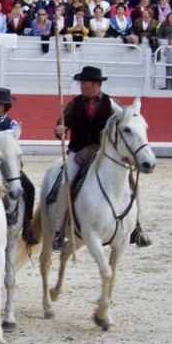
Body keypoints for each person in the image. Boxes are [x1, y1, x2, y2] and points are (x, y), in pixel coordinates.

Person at [51, 66, 115, 251]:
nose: (81, 86)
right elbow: (62, 123)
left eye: (84, 83)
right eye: (81, 83)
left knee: (127, 179)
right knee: (66, 183)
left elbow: (121, 123)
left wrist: (109, 131)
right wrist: (59, 130)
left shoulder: (111, 104)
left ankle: (135, 227)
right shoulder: (74, 103)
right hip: (78, 152)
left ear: (96, 84)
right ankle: (59, 231)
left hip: (103, 153)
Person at [0, 87, 37, 244]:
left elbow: (13, 148)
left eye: (0, 103)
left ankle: (27, 224)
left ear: (6, 105)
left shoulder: (12, 124)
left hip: (7, 166)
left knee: (30, 188)